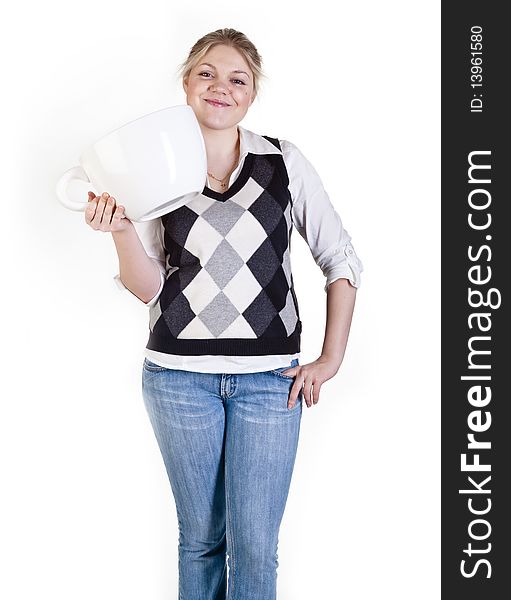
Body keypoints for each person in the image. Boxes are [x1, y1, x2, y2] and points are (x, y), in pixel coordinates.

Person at [85, 27, 363, 600]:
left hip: (270, 383)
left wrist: (330, 358)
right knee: (201, 541)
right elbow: (148, 288)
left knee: (256, 547)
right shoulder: (158, 166)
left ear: (251, 93)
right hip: (177, 381)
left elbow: (339, 258)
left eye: (237, 78)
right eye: (207, 73)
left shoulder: (283, 161)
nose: (221, 87)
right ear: (186, 83)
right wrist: (120, 233)